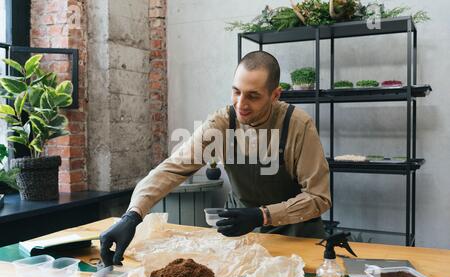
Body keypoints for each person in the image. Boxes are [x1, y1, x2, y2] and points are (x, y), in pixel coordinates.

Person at [100, 51, 331, 266]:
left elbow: (319, 197)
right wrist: (133, 215)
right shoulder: (222, 123)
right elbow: (172, 168)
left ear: (275, 95)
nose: (241, 104)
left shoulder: (298, 125)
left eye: (253, 96)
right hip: (244, 237)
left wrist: (263, 215)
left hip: (297, 238)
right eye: (236, 91)